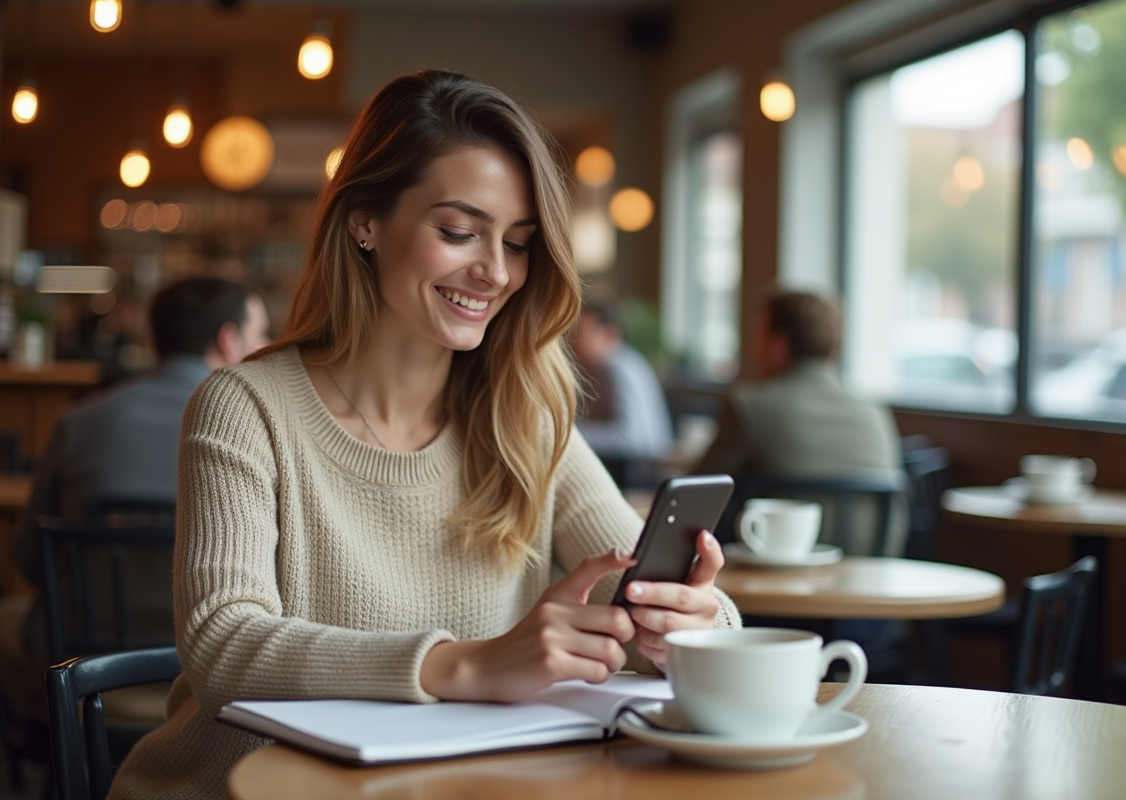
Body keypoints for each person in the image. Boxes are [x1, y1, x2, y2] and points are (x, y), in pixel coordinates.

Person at [109, 70, 739, 800]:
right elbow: (222, 644)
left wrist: (689, 628)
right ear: (365, 221)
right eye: (459, 232)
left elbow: (654, 597)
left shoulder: (525, 419)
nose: (496, 272)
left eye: (519, 243)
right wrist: (469, 664)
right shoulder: (246, 407)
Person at [0, 277, 269, 737]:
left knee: (8, 617)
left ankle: (51, 756)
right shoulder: (258, 432)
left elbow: (28, 561)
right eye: (261, 335)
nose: (266, 347)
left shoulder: (80, 421)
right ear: (228, 340)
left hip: (84, 671)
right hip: (210, 673)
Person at [696, 290, 904, 554]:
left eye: (757, 338)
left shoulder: (751, 407)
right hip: (869, 568)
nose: (752, 349)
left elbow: (697, 491)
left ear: (779, 345)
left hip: (776, 568)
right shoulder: (875, 412)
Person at [569, 297, 674, 486]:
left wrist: (569, 433)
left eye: (581, 333)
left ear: (609, 335)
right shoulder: (629, 361)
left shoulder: (614, 367)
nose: (573, 341)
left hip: (637, 476)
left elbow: (630, 437)